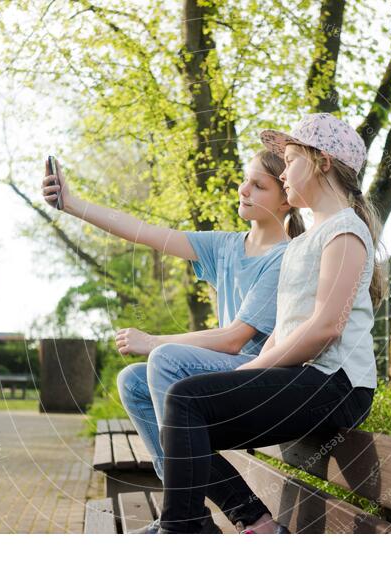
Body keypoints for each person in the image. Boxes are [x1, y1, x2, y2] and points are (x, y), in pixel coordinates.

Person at [41, 150, 304, 532]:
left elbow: (235, 340)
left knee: (165, 361)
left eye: (258, 185)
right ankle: (195, 516)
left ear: (285, 199)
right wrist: (71, 204)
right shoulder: (227, 246)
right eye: (245, 179)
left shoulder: (284, 258)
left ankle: (204, 520)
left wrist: (153, 341)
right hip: (221, 379)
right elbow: (142, 231)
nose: (243, 189)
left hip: (256, 380)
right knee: (132, 380)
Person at [154, 112, 386, 534]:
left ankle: (181, 533)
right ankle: (241, 525)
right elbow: (284, 328)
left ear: (322, 163)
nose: (285, 175)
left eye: (292, 159)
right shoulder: (301, 243)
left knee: (186, 401)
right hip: (305, 379)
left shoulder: (346, 232)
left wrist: (253, 369)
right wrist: (249, 370)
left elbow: (325, 328)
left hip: (338, 385)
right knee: (183, 409)